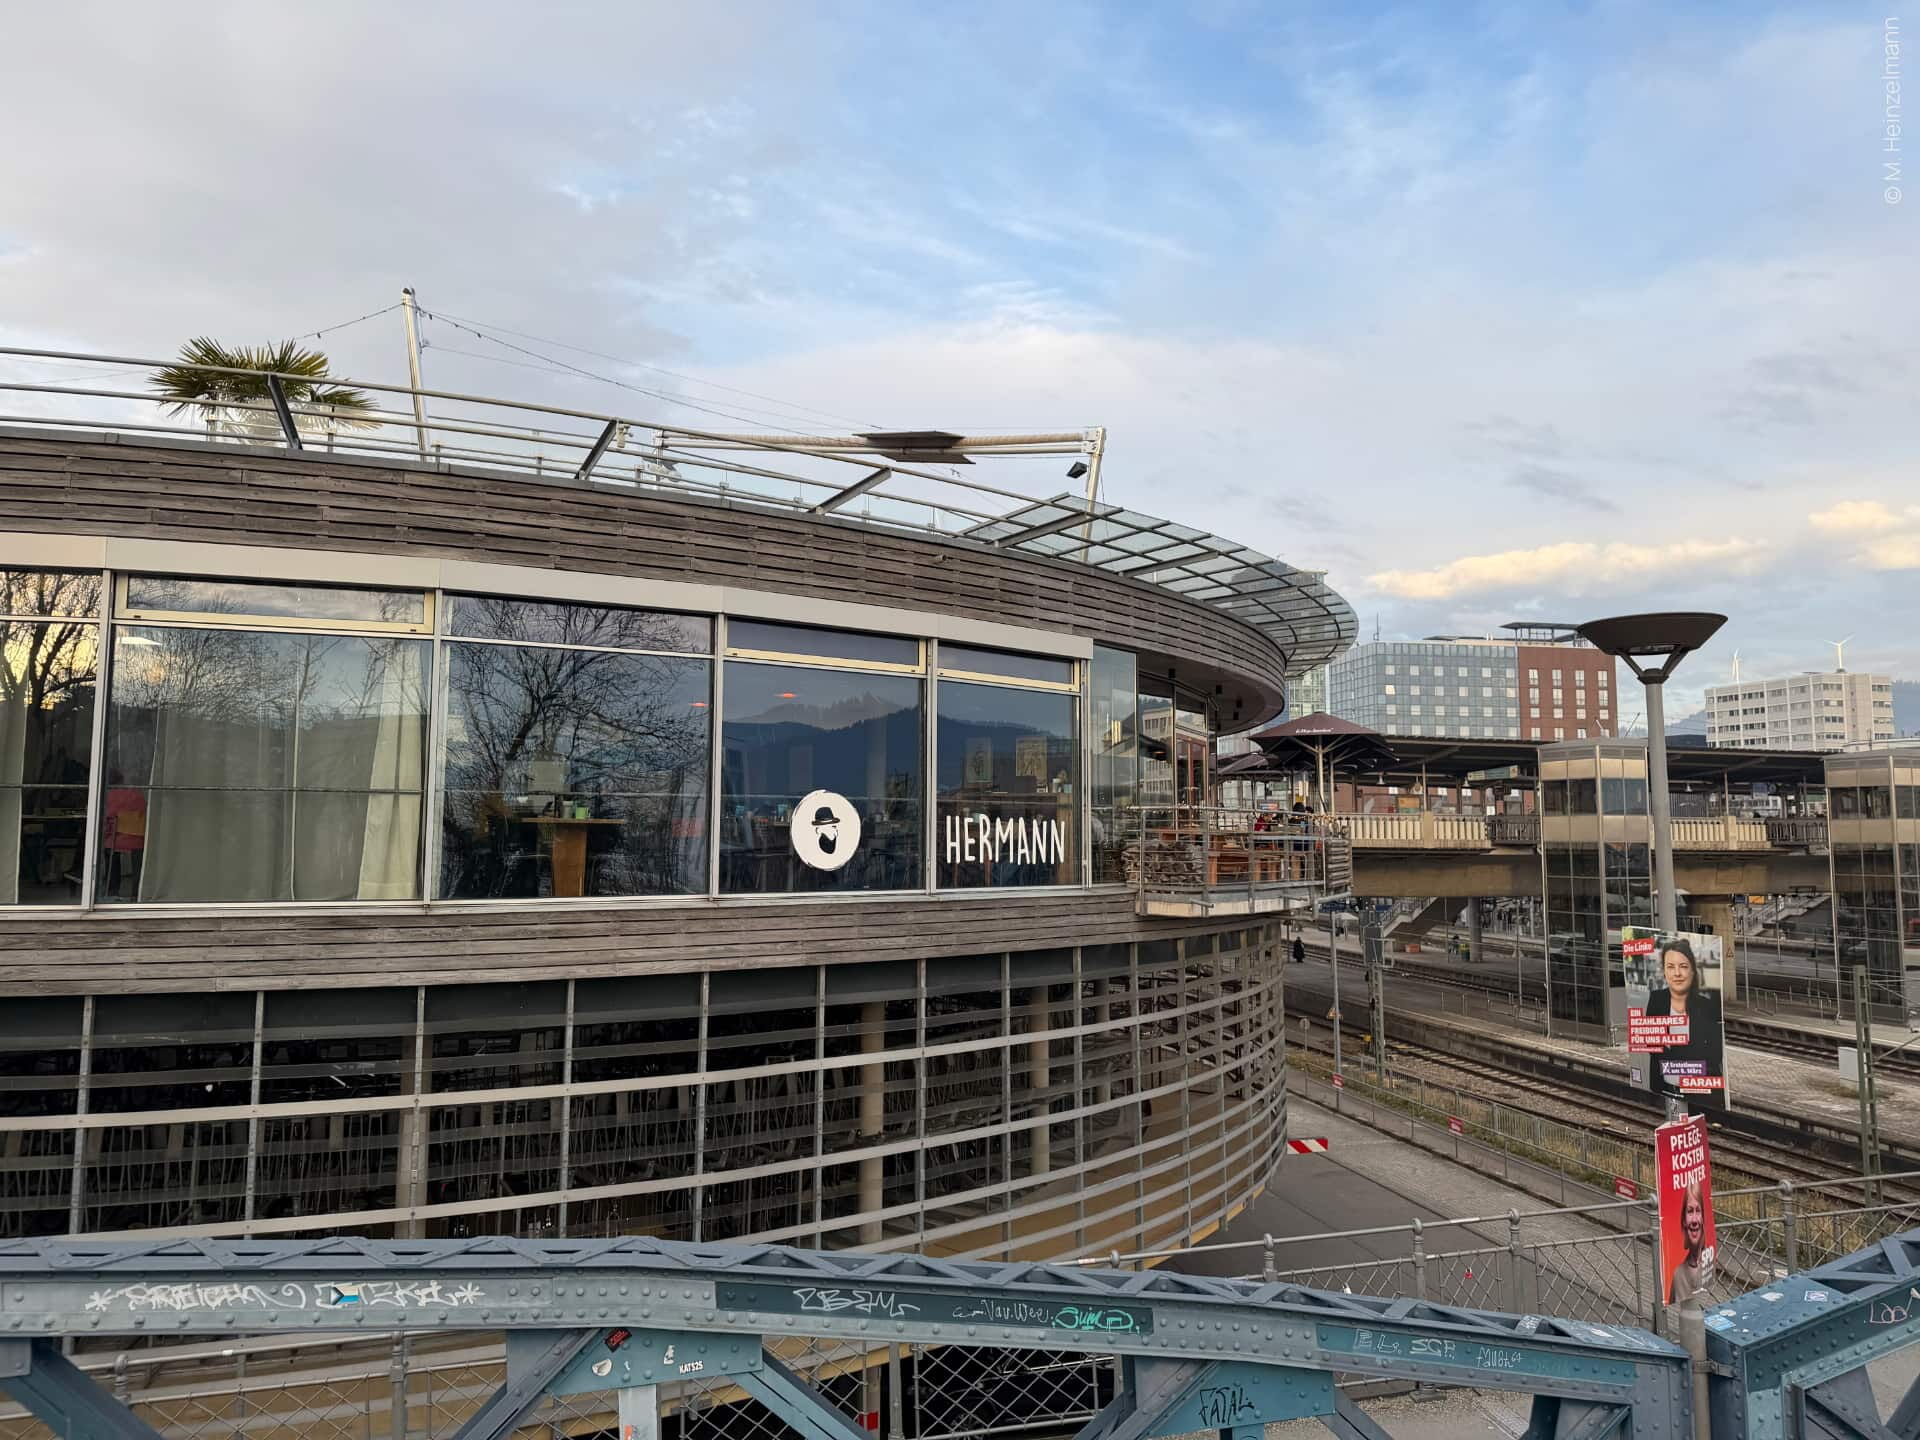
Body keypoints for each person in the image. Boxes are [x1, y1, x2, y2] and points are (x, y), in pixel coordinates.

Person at [1642, 937, 1726, 1109]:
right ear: (1664, 972)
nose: (1677, 973)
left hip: (1698, 1090)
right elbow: (1650, 1043)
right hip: (1664, 1086)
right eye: (1670, 967)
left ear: (1693, 971)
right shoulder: (1657, 1000)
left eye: (1683, 966)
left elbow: (1715, 1053)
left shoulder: (1706, 1005)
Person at [1667, 1180, 1710, 1303]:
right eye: (1690, 1211)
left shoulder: (1710, 1263)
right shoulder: (1678, 1275)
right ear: (1684, 1221)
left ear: (1703, 1217)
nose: (1695, 1220)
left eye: (1698, 1210)